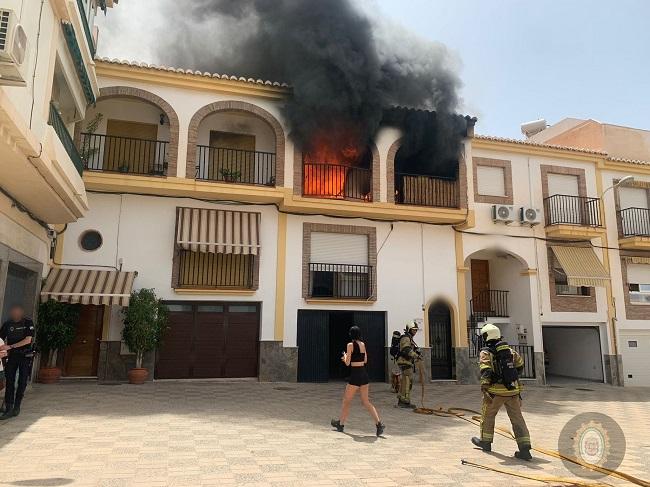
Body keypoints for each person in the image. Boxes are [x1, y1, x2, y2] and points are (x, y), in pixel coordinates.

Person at [471, 323, 532, 461]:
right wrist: (509, 378)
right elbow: (520, 366)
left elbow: (485, 370)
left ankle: (485, 442)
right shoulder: (510, 351)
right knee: (517, 419)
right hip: (513, 391)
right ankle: (525, 448)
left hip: (495, 392)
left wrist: (485, 387)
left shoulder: (486, 352)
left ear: (486, 336)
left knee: (488, 415)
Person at [331, 325, 385, 436]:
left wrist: (344, 357)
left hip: (355, 375)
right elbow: (365, 360)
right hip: (364, 374)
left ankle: (341, 424)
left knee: (346, 400)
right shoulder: (363, 344)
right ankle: (378, 424)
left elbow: (347, 363)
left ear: (351, 334)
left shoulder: (350, 345)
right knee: (366, 401)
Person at [0, 304, 35, 420]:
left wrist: (10, 346)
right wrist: (3, 349)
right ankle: (8, 407)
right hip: (12, 357)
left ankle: (17, 406)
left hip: (25, 356)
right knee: (10, 380)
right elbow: (0, 340)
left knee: (22, 381)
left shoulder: (27, 322)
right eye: (13, 311)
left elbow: (28, 340)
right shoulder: (7, 324)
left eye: (18, 311)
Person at [396, 320, 422, 408]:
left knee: (406, 380)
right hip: (404, 362)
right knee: (407, 381)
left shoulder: (409, 338)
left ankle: (402, 399)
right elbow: (406, 349)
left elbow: (409, 349)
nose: (415, 331)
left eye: (416, 330)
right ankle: (405, 401)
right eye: (413, 330)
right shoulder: (406, 338)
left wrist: (416, 352)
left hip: (407, 362)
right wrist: (415, 356)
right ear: (409, 329)